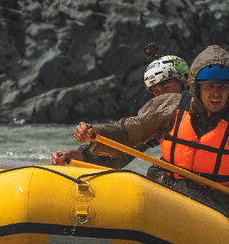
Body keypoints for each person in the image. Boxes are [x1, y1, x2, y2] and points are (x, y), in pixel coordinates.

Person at [67, 45, 229, 217]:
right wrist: (88, 149)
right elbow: (127, 137)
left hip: (214, 201)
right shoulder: (169, 109)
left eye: (222, 87)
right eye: (209, 87)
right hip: (168, 188)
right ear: (196, 86)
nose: (216, 94)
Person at [51, 54, 189, 168]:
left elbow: (127, 133)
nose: (162, 96)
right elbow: (119, 157)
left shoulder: (201, 105)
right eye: (156, 92)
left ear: (185, 82)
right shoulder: (161, 121)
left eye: (166, 87)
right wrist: (77, 156)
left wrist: (101, 133)